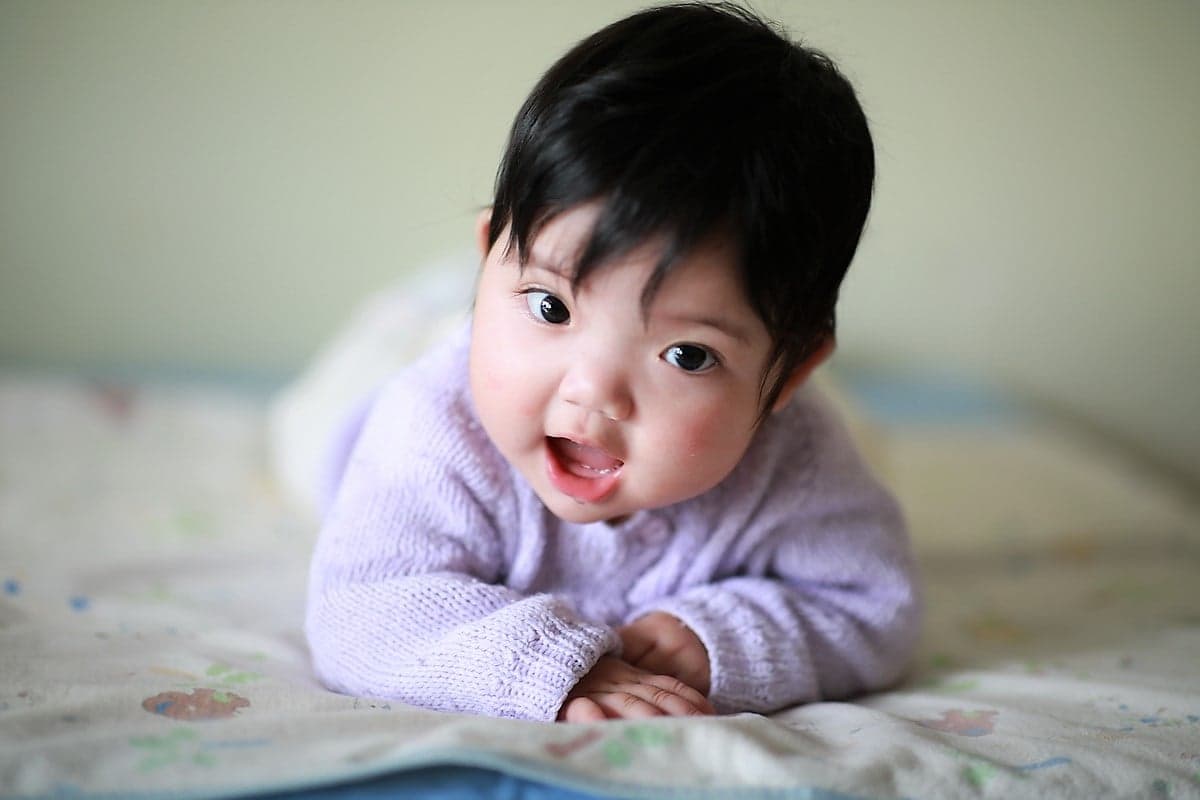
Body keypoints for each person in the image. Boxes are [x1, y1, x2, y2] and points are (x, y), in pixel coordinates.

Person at [305, 2, 921, 723]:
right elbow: (359, 612)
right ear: (489, 260)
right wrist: (551, 666)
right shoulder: (434, 426)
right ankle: (442, 307)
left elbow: (875, 607)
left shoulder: (800, 461)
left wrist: (722, 636)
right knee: (314, 427)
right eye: (551, 307)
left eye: (687, 354)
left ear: (790, 375)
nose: (594, 392)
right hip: (377, 406)